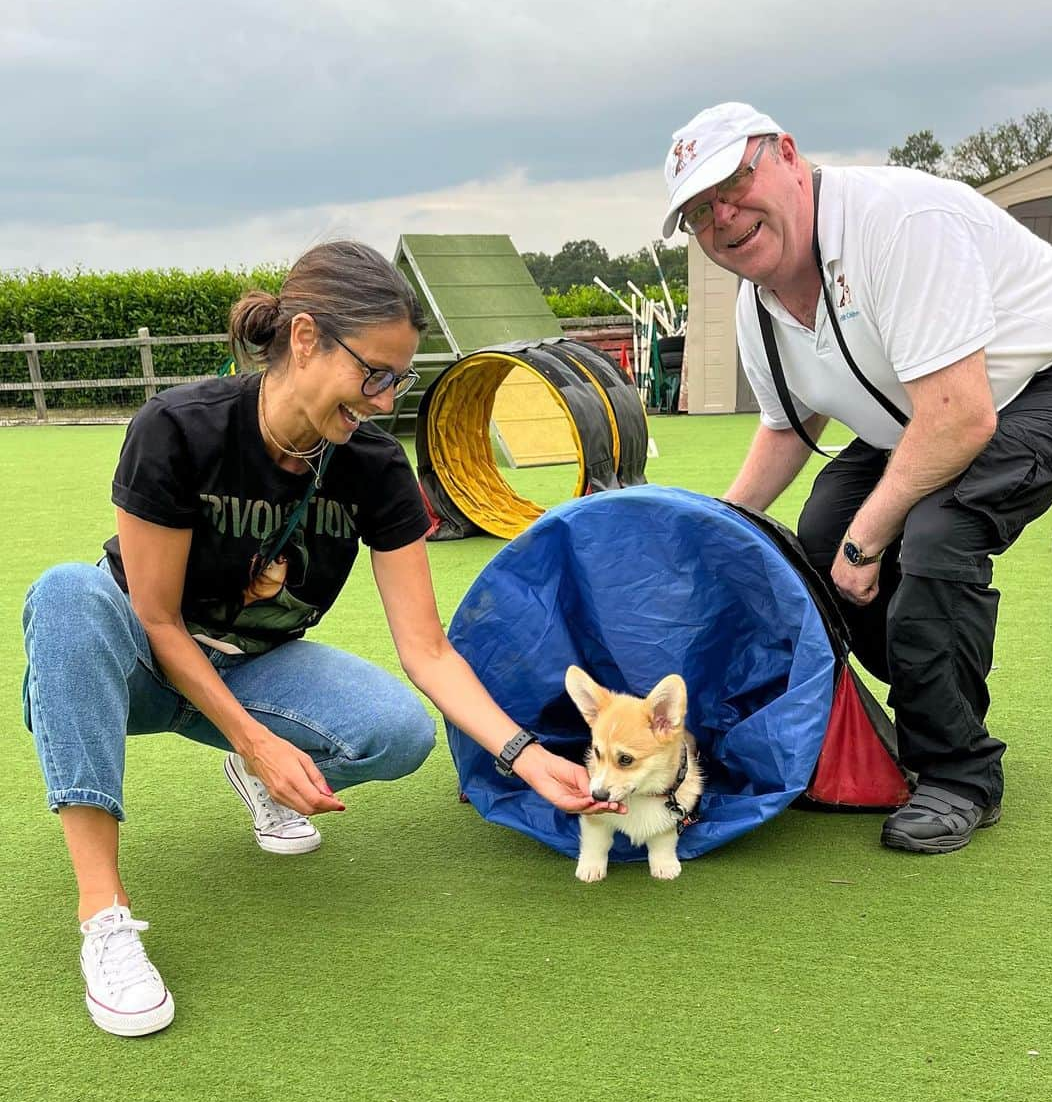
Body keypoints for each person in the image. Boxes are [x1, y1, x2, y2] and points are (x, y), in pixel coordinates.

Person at [21, 240, 623, 1038]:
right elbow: (160, 621)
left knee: (400, 731)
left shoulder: (373, 467)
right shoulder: (178, 429)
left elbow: (426, 650)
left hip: (255, 668)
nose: (382, 401)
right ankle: (104, 916)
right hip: (135, 656)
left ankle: (252, 770)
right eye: (373, 374)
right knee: (65, 594)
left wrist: (523, 753)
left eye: (397, 381)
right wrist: (259, 741)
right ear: (304, 338)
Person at [660, 101, 1052, 855]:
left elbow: (960, 417)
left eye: (734, 183)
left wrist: (866, 544)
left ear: (787, 155)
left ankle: (958, 773)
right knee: (818, 536)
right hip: (925, 409)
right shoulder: (758, 299)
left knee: (931, 538)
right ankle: (931, 696)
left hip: (1047, 380)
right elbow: (790, 427)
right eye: (698, 211)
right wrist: (711, 533)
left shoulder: (896, 223)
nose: (722, 217)